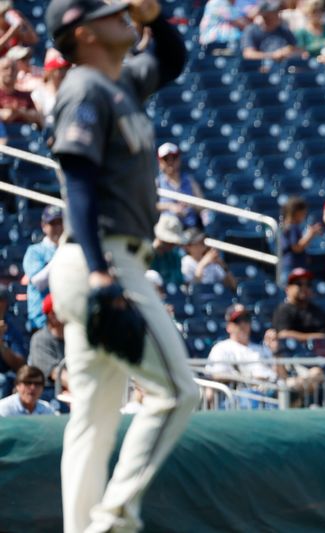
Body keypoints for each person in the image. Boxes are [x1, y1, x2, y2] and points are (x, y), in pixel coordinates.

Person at [45, 1, 200, 532]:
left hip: (106, 258)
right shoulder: (84, 87)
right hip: (103, 257)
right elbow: (79, 184)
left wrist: (156, 18)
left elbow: (173, 60)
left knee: (92, 420)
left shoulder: (121, 82)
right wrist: (99, 273)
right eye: (111, 14)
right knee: (179, 392)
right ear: (83, 33)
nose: (123, 16)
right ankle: (113, 519)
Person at [205, 304, 323, 404]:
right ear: (228, 327)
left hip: (275, 386)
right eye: (237, 321)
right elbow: (215, 375)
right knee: (291, 388)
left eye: (246, 319)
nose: (243, 324)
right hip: (252, 392)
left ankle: (296, 400)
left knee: (316, 373)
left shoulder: (261, 348)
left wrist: (276, 351)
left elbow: (282, 376)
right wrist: (248, 379)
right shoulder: (222, 348)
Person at [23, 205, 63, 332]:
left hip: (65, 319)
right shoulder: (35, 251)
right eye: (53, 223)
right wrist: (61, 254)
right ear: (44, 226)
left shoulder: (69, 249)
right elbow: (39, 283)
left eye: (60, 222)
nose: (58, 227)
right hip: (42, 322)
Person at [272, 267, 325, 342]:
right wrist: (314, 338)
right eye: (299, 284)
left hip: (320, 352)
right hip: (295, 352)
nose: (304, 287)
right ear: (288, 289)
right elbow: (283, 335)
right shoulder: (284, 310)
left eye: (308, 284)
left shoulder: (317, 310)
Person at [155, 142, 205, 230]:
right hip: (167, 229)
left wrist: (189, 204)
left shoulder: (189, 180)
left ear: (178, 159)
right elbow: (151, 205)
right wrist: (170, 206)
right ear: (160, 162)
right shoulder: (158, 182)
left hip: (190, 229)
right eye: (166, 159)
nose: (170, 162)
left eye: (173, 158)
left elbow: (202, 205)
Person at [27, 294, 67, 399]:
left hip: (72, 390)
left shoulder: (75, 338)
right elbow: (56, 374)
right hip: (49, 392)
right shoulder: (40, 340)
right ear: (50, 315)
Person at [280, 195, 324, 276]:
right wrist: (310, 235)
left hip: (295, 266)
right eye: (303, 213)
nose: (304, 216)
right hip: (292, 267)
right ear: (296, 213)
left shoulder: (292, 227)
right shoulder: (292, 227)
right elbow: (297, 247)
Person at [0, 54, 42, 126]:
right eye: (5, 68)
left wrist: (20, 113)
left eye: (13, 69)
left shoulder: (24, 95)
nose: (10, 72)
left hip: (24, 132)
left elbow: (38, 116)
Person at [150, 213, 188, 288]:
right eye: (169, 242)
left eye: (174, 243)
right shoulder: (145, 253)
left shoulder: (175, 256)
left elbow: (179, 281)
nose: (173, 245)